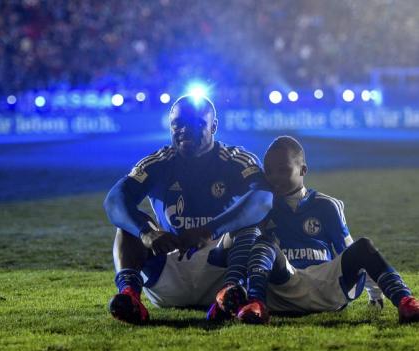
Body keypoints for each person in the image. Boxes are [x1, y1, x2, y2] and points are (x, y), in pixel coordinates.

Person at [103, 94, 273, 324]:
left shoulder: (235, 159)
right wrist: (147, 232)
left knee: (251, 225)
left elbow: (263, 198)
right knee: (129, 227)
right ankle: (130, 296)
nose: (185, 130)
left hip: (220, 270)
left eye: (197, 124)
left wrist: (209, 231)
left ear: (214, 126)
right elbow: (114, 199)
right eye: (178, 124)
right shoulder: (159, 161)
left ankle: (228, 294)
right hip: (170, 269)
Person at [235, 136, 419, 324]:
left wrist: (375, 294)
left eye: (283, 170)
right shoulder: (262, 208)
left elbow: (350, 253)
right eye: (270, 172)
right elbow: (241, 252)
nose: (275, 177)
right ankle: (256, 305)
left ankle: (406, 302)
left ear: (303, 170)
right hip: (284, 288)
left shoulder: (327, 205)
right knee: (263, 244)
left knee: (363, 246)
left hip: (326, 287)